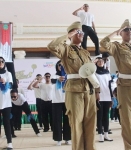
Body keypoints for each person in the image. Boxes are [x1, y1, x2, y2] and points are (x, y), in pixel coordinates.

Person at [47, 21, 100, 150]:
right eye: (78, 32)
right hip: (74, 89)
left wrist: (97, 91)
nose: (81, 34)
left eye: (82, 32)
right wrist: (68, 35)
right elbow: (52, 46)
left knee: (90, 123)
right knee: (76, 124)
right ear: (72, 34)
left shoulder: (85, 53)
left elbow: (90, 72)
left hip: (89, 89)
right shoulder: (65, 49)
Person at [100, 19, 131, 150]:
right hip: (125, 86)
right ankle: (130, 148)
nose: (129, 31)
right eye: (126, 30)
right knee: (127, 119)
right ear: (121, 33)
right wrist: (116, 32)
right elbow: (103, 43)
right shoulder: (117, 47)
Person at [51, 60, 71, 146]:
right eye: (59, 65)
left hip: (67, 100)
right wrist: (58, 78)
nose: (61, 66)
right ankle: (58, 138)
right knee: (57, 120)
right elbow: (52, 80)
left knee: (67, 120)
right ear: (57, 66)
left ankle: (67, 138)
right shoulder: (54, 75)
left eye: (63, 65)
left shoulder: (69, 76)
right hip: (56, 101)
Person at [95, 57, 113, 142]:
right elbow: (94, 85)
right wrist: (96, 94)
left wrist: (112, 97)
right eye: (98, 61)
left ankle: (106, 134)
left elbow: (109, 85)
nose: (100, 62)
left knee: (106, 116)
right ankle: (100, 135)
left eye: (101, 61)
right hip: (99, 96)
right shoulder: (94, 72)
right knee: (99, 116)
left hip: (107, 96)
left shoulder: (107, 72)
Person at [0, 57, 13, 149]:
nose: (0, 63)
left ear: (4, 63)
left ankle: (9, 143)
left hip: (6, 102)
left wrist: (5, 82)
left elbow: (11, 85)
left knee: (7, 123)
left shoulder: (8, 73)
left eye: (2, 61)